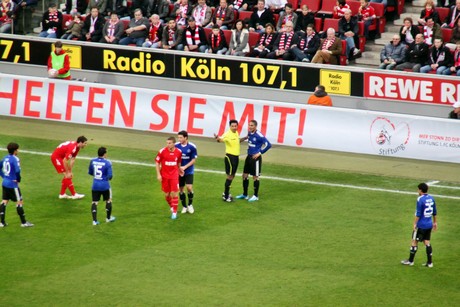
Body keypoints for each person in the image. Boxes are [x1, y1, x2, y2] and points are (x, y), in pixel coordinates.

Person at [401, 183, 437, 268]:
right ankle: (430, 263)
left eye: (418, 189)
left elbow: (418, 213)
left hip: (421, 225)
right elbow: (434, 211)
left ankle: (410, 261)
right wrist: (435, 222)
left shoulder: (420, 199)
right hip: (429, 224)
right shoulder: (432, 198)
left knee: (414, 241)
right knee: (427, 242)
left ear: (420, 190)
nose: (417, 191)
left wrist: (414, 224)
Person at [235, 120, 271, 202]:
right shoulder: (250, 133)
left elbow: (268, 145)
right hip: (249, 157)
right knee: (244, 175)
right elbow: (249, 138)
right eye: (249, 125)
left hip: (256, 158)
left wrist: (260, 153)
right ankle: (245, 194)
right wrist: (244, 138)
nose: (250, 127)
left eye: (252, 125)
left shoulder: (259, 135)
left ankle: (255, 195)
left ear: (255, 126)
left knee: (255, 177)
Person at [0, 142, 34, 228]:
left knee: (4, 201)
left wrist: (4, 176)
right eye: (17, 149)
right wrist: (18, 179)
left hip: (5, 183)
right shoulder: (15, 159)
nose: (18, 151)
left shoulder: (5, 158)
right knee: (19, 202)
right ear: (15, 150)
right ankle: (24, 223)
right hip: (12, 185)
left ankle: (2, 222)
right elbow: (17, 171)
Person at [214, 119, 245, 202]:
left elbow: (238, 141)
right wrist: (217, 138)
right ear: (230, 126)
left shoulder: (236, 133)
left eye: (235, 126)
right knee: (230, 176)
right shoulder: (227, 134)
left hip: (235, 157)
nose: (234, 127)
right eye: (232, 126)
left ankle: (225, 193)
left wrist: (245, 137)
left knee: (233, 175)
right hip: (230, 157)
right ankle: (226, 196)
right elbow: (220, 140)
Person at [155, 136, 184, 220]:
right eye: (167, 143)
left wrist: (180, 170)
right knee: (167, 194)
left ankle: (174, 213)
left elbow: (178, 162)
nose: (168, 144)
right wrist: (158, 174)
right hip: (164, 176)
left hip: (174, 176)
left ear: (174, 143)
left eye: (169, 143)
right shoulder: (162, 151)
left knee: (174, 193)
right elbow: (157, 162)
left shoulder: (179, 152)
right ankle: (172, 206)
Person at [88, 147, 115, 226]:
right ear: (105, 154)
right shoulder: (107, 163)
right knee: (108, 200)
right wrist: (104, 178)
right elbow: (110, 176)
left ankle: (94, 221)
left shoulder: (92, 161)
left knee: (94, 202)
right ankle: (108, 218)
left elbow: (90, 172)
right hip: (105, 185)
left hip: (95, 185)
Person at [175, 131, 197, 214]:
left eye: (181, 137)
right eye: (178, 137)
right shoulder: (176, 146)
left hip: (188, 171)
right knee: (181, 189)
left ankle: (190, 205)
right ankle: (184, 206)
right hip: (179, 171)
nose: (179, 139)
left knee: (189, 188)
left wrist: (184, 167)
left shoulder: (192, 147)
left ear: (186, 138)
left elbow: (193, 160)